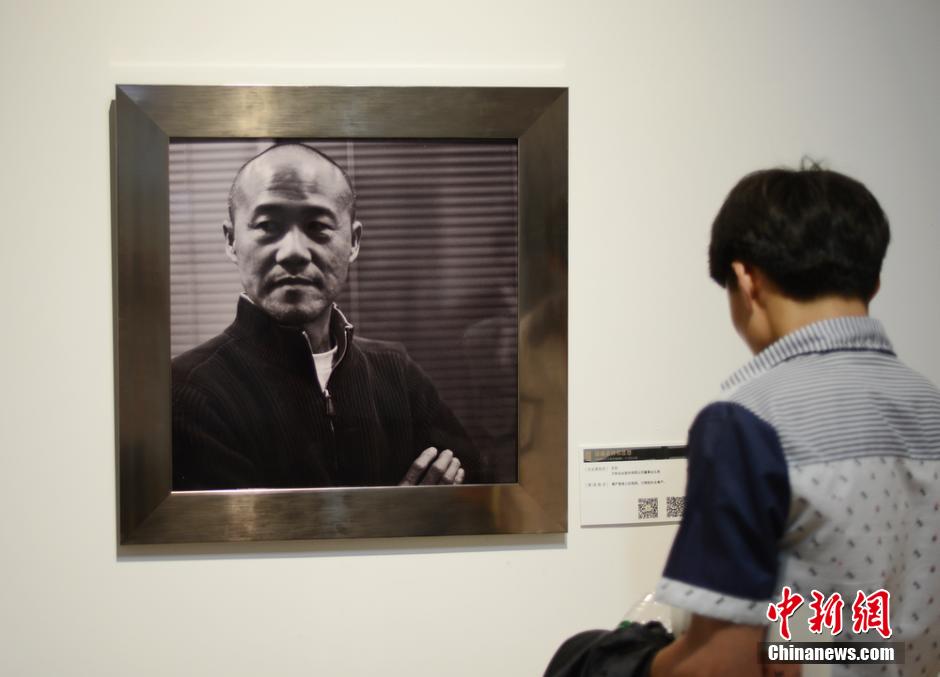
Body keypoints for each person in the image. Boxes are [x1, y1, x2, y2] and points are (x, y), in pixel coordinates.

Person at [649, 165, 940, 676]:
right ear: (873, 282)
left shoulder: (746, 422)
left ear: (746, 279)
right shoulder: (931, 407)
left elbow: (720, 665)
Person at [171, 143, 475, 490]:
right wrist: (403, 513)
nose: (294, 252)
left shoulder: (397, 375)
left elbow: (484, 499)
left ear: (354, 242)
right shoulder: (188, 390)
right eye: (268, 225)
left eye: (317, 226)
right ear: (231, 240)